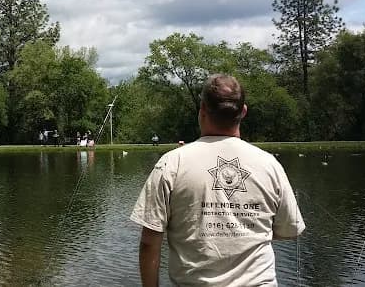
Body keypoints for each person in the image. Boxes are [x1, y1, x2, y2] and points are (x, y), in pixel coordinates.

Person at [130, 74, 304, 287]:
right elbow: (289, 229)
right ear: (243, 111)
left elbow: (149, 242)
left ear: (202, 109)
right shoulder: (269, 164)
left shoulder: (171, 163)